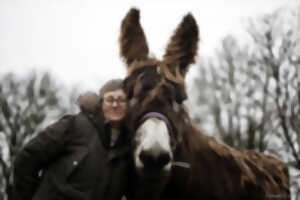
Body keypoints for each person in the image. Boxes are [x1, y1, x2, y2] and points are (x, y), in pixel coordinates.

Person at [14, 79, 131, 200]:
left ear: (129, 105)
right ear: (100, 103)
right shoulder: (74, 125)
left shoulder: (129, 148)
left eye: (121, 100)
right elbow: (26, 159)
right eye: (110, 99)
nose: (115, 105)